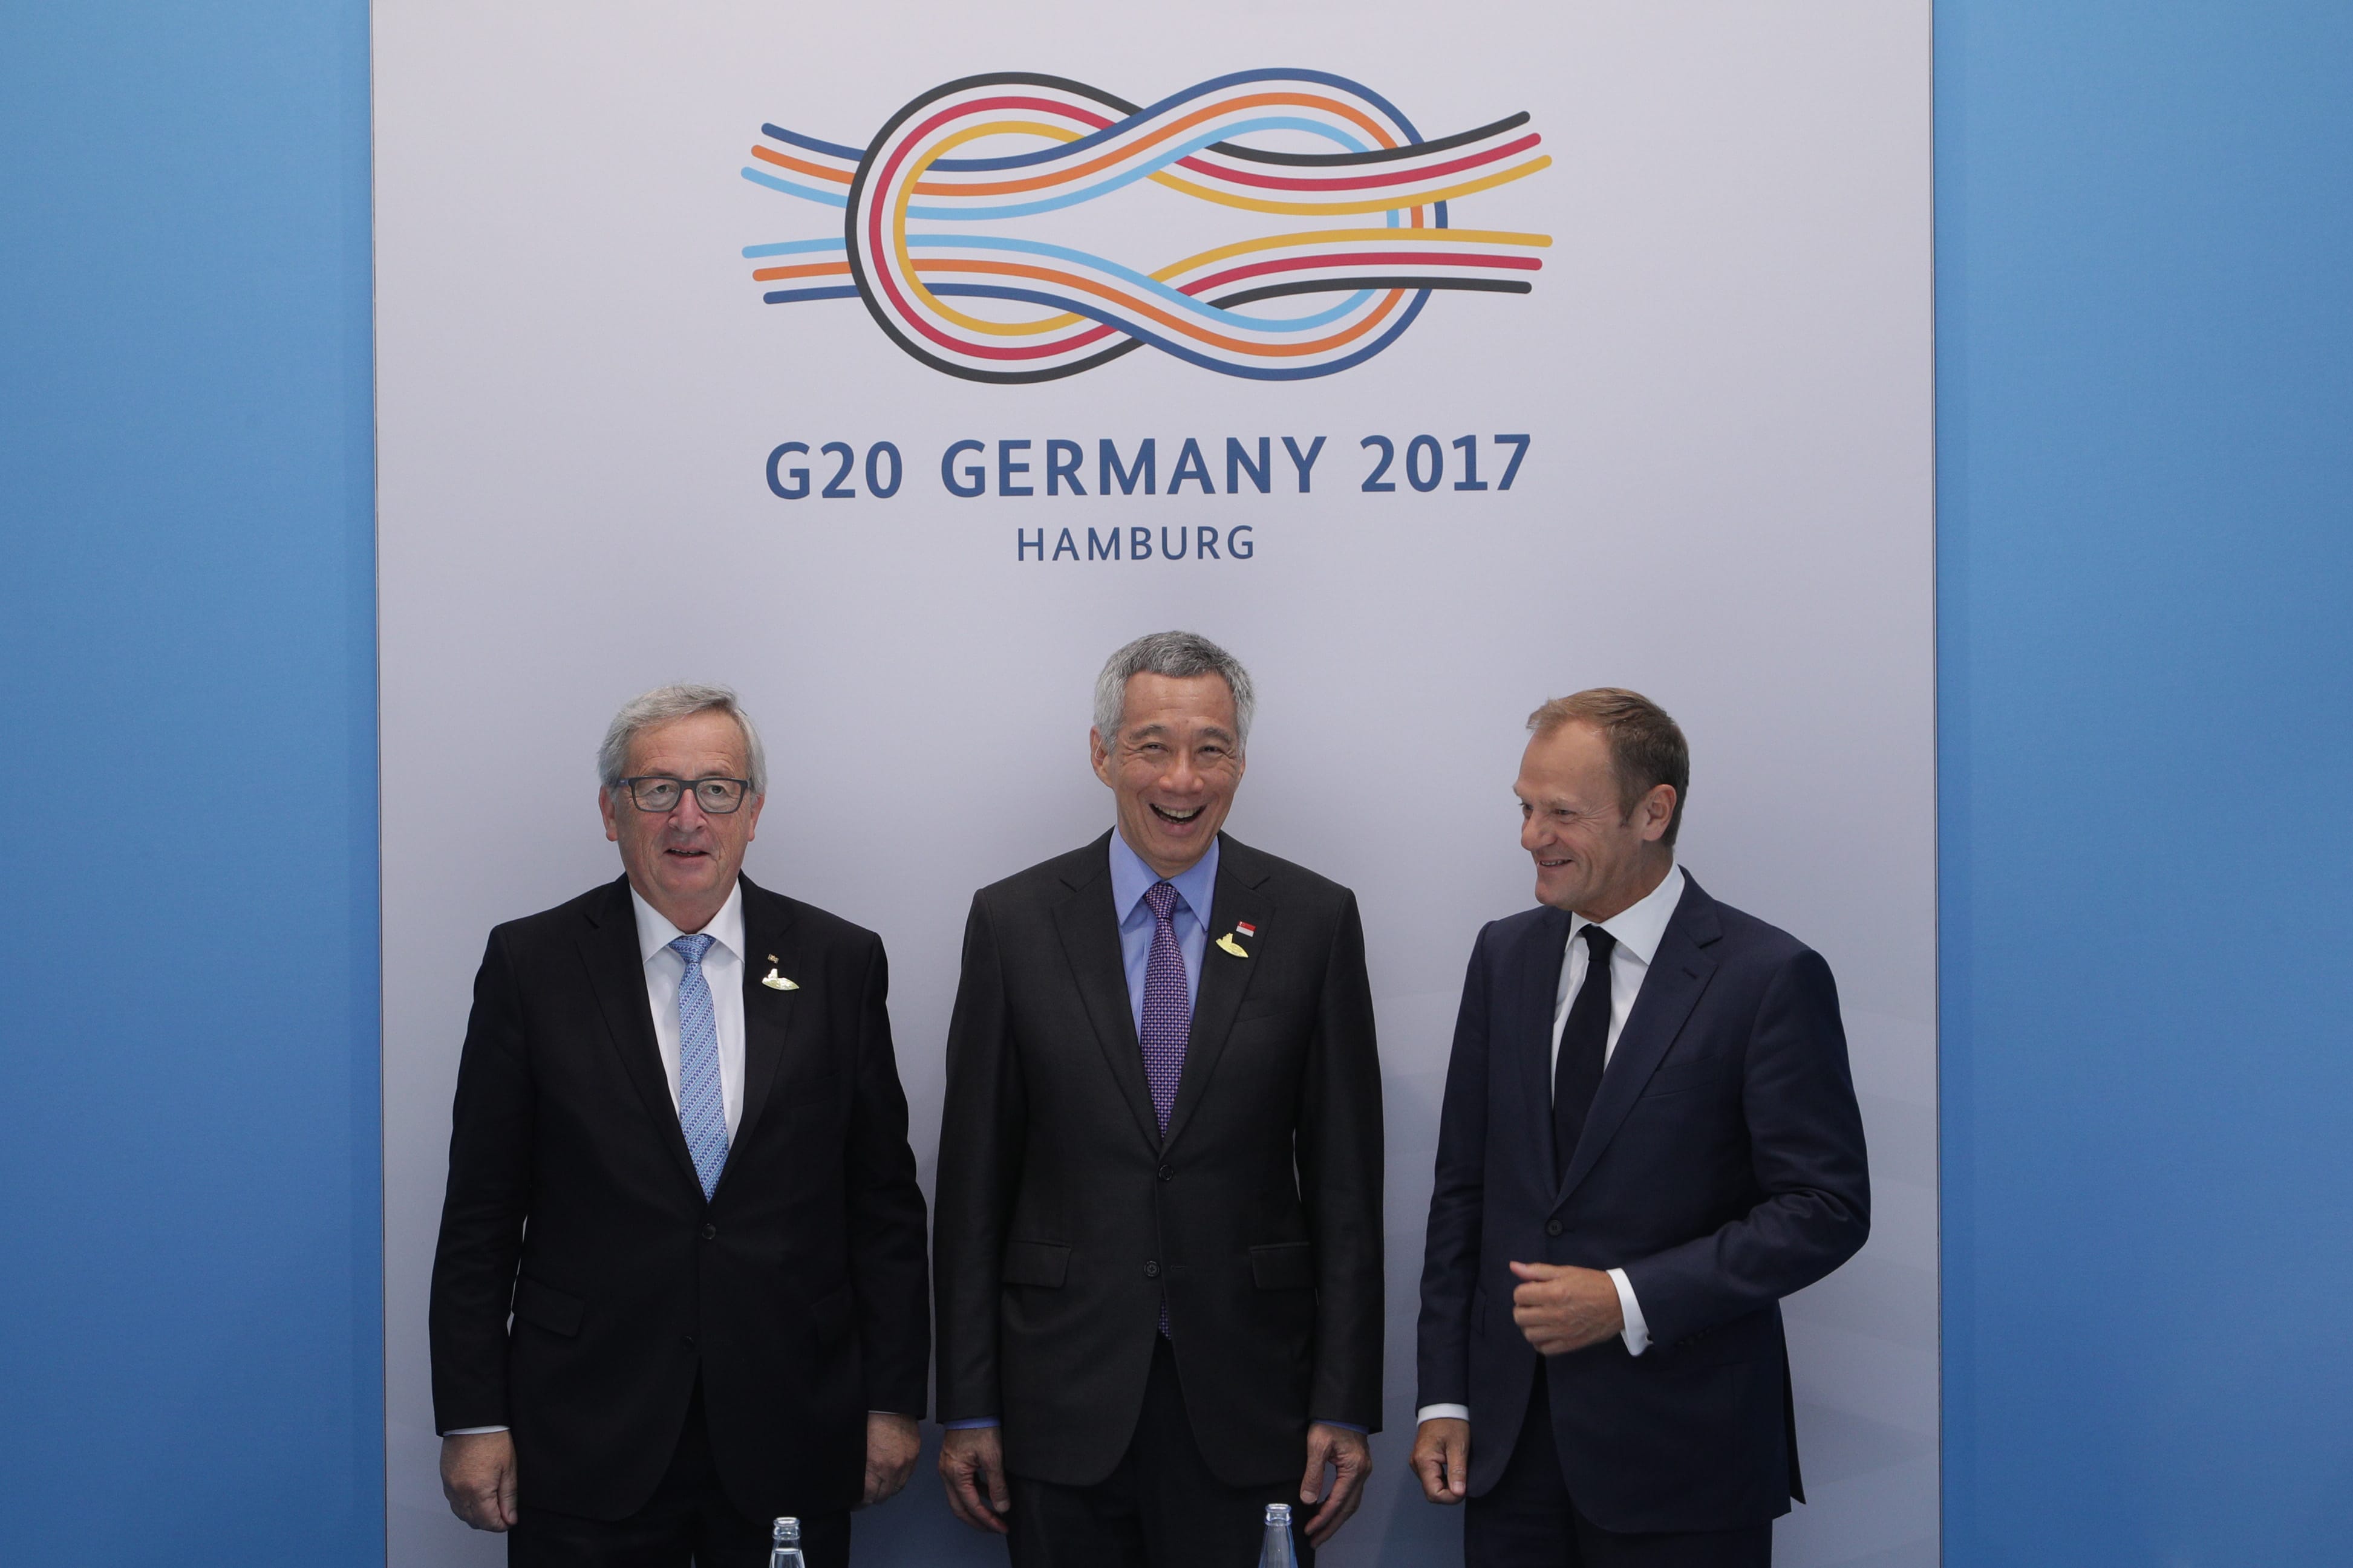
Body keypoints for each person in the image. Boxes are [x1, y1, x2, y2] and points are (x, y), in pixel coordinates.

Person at [428, 684, 930, 1567]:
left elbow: (882, 1207)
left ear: (754, 811)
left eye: (717, 789)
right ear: (610, 811)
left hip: (792, 1421)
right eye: (657, 788)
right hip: (585, 1430)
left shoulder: (839, 962)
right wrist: (473, 1418)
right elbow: (480, 1216)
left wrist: (892, 1401)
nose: (687, 817)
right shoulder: (531, 964)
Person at [932, 631, 1384, 1567]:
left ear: (1240, 761)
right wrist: (968, 1402)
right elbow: (973, 1185)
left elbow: (1346, 1189)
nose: (1183, 779)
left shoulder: (1314, 919)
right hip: (1059, 1399)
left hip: (1251, 1400)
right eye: (1153, 746)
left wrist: (1343, 1401)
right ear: (1102, 754)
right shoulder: (1013, 921)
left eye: (1211, 748)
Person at [1412, 689, 1870, 1567]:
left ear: (1654, 812)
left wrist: (1626, 1299)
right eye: (1524, 807)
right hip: (1508, 1455)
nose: (1531, 836)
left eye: (1562, 813)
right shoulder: (1502, 956)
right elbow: (1464, 1193)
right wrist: (1446, 1397)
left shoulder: (1768, 976)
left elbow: (1824, 1208)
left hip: (1685, 1460)